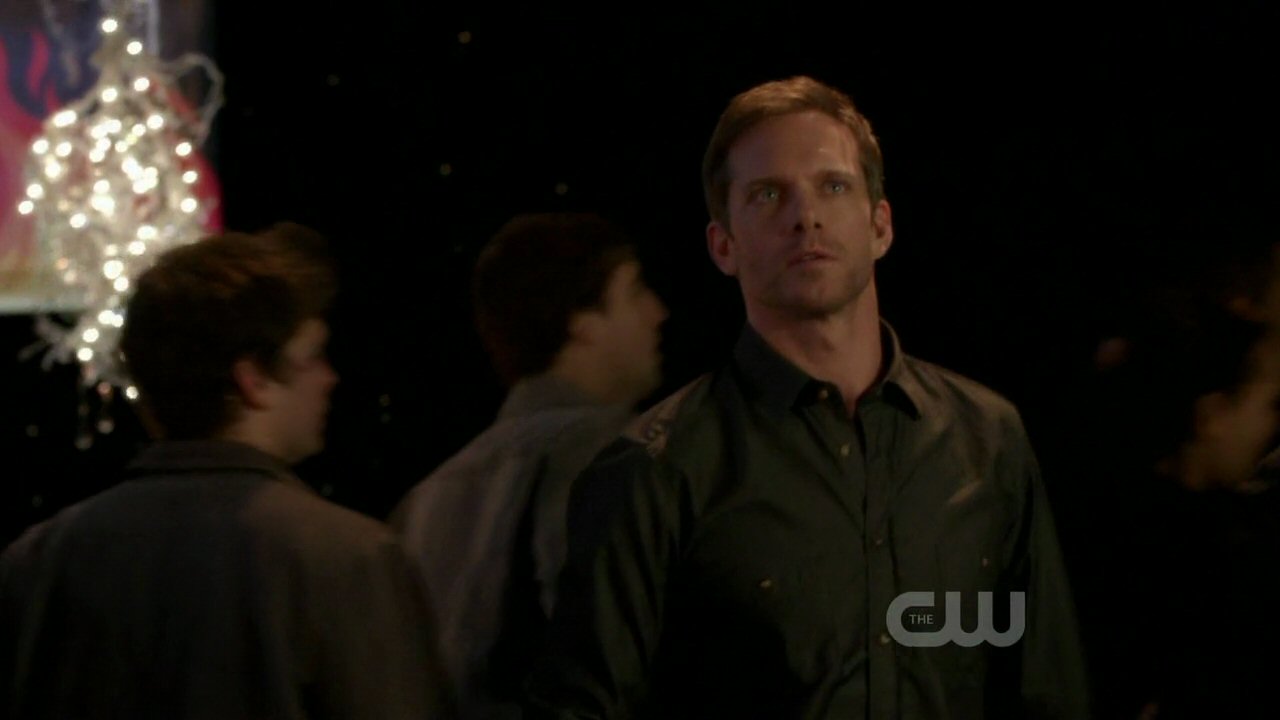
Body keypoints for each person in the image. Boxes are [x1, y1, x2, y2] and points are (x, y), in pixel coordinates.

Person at [524, 76, 1089, 718]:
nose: (806, 217)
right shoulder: (654, 470)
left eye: (834, 186)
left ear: (880, 225)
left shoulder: (988, 438)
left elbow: (1047, 690)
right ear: (723, 245)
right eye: (768, 194)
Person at [0, 225, 453, 719]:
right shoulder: (349, 558)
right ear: (252, 378)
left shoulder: (37, 561)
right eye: (314, 356)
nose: (330, 377)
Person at [391, 213, 667, 718]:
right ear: (579, 322)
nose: (657, 312)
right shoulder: (608, 451)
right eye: (634, 292)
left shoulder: (425, 498)